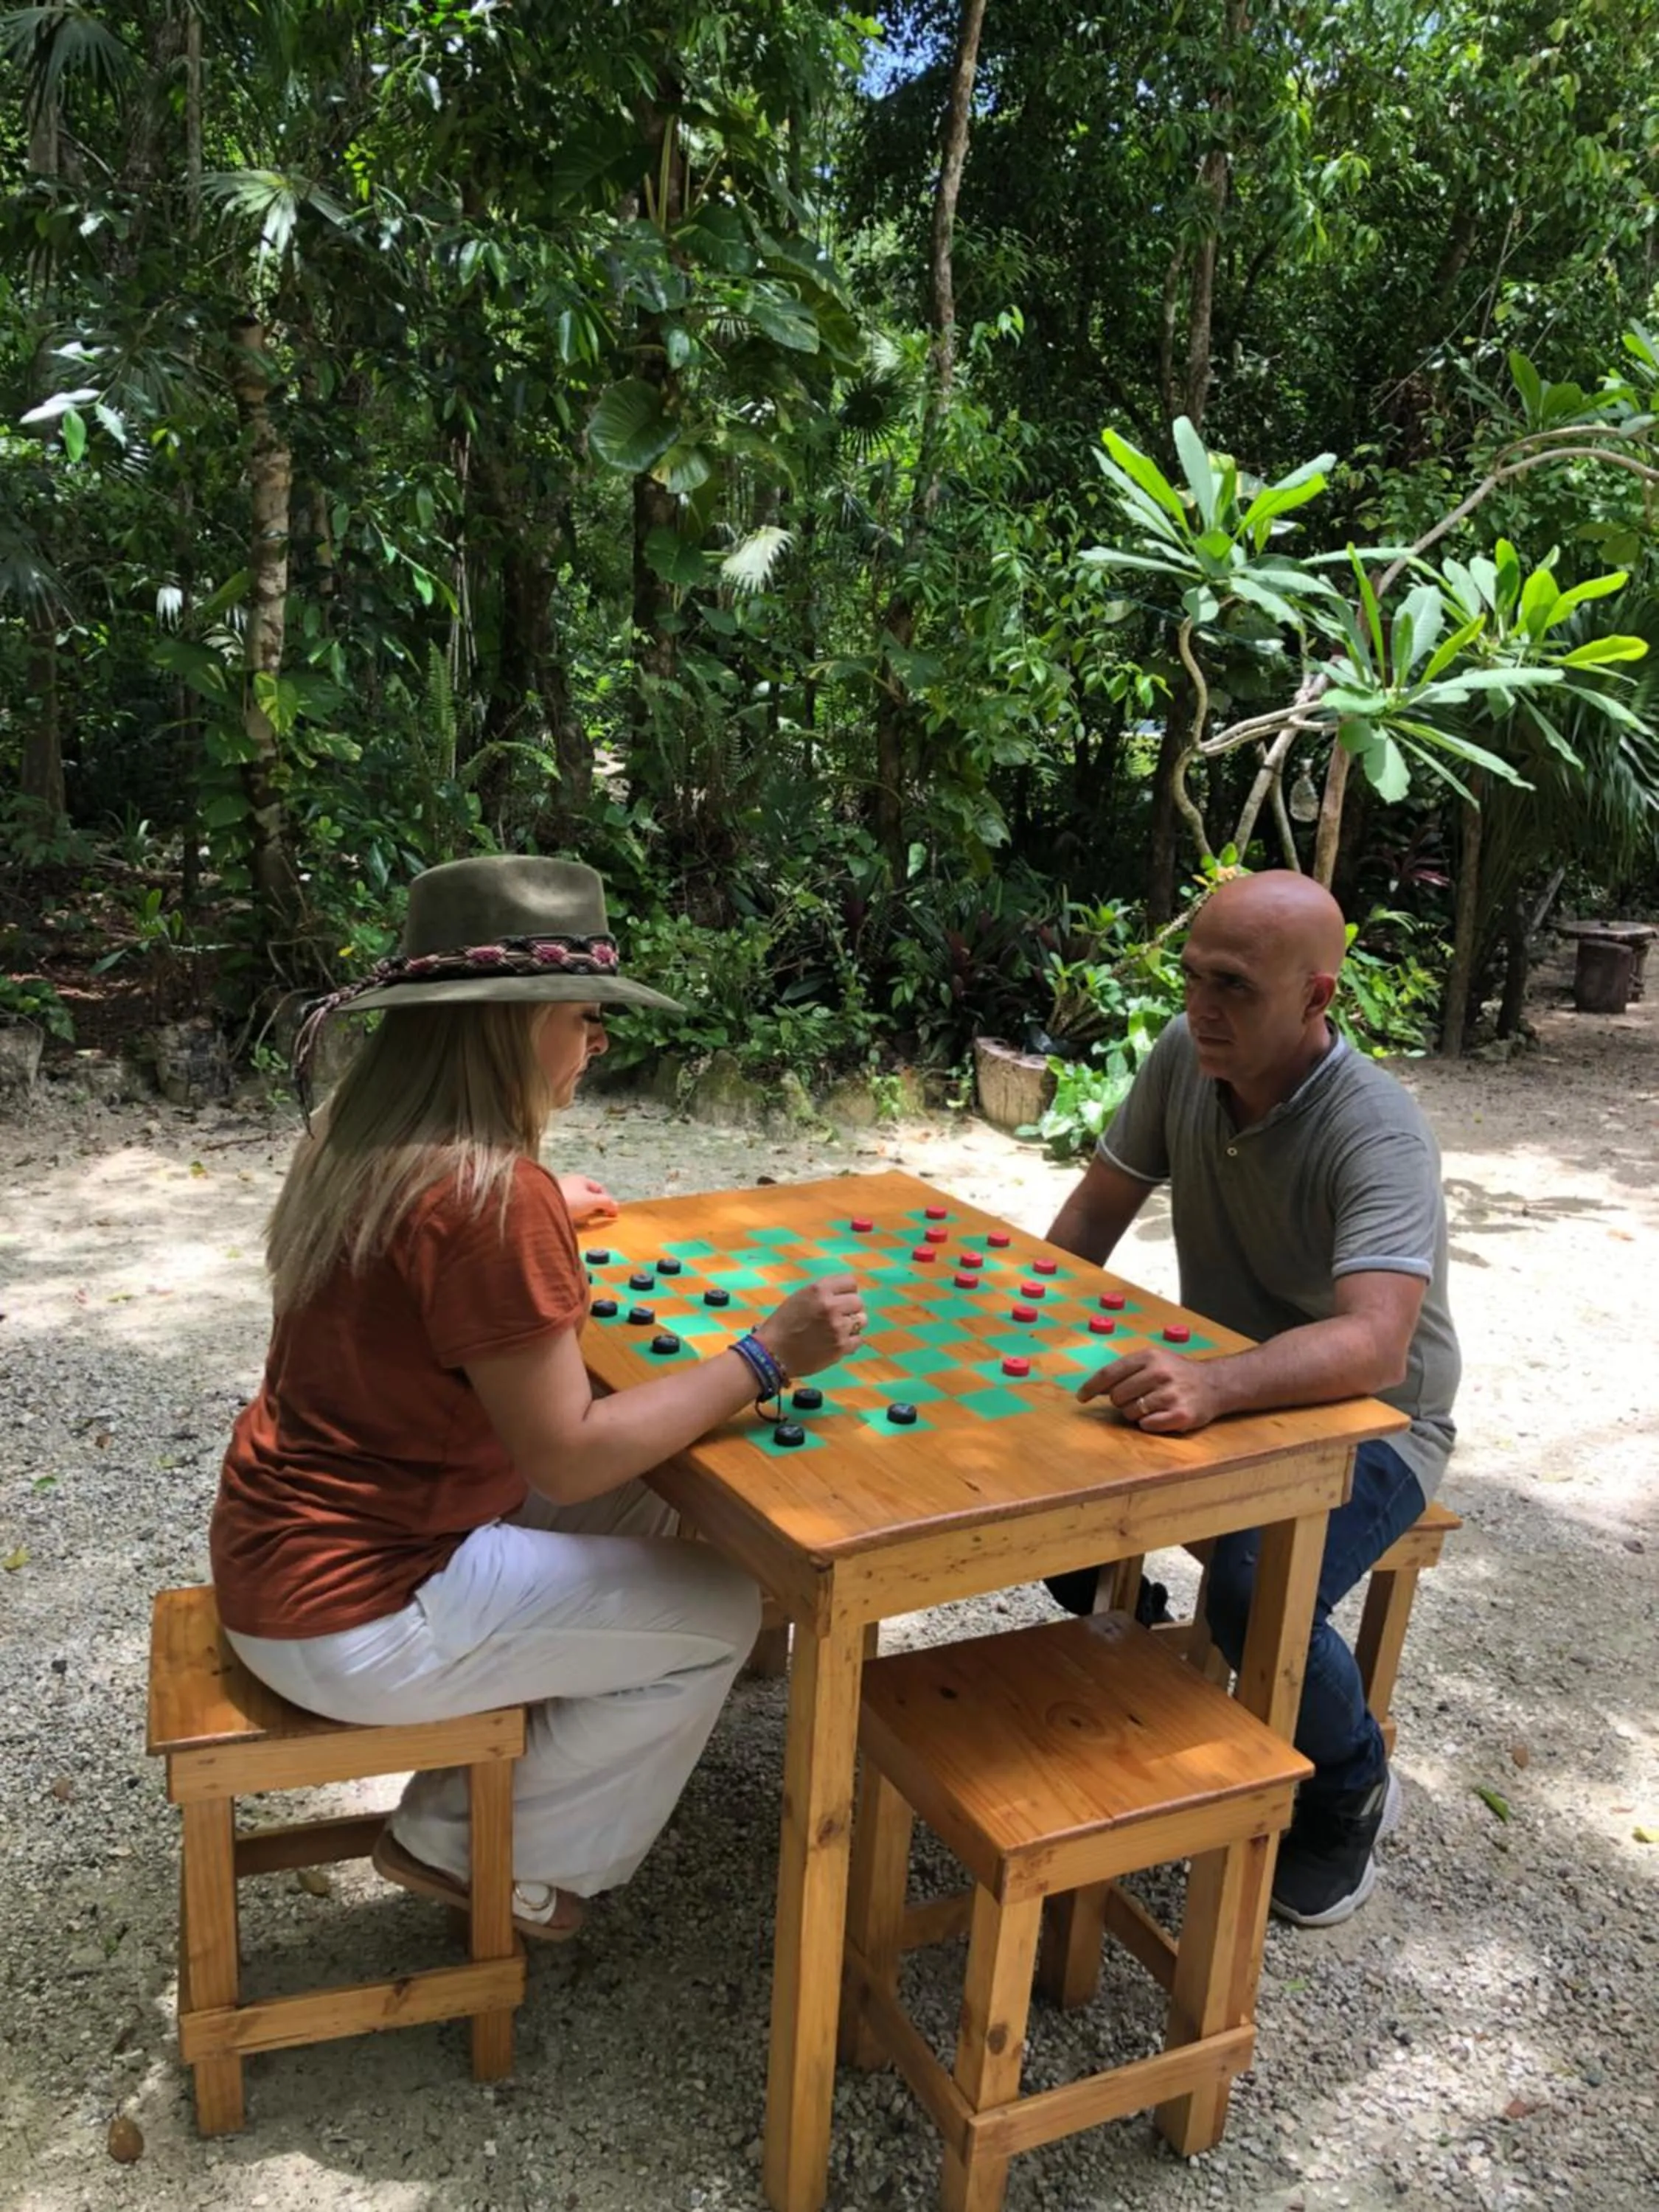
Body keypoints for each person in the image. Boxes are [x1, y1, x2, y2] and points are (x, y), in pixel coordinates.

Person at [209, 855, 866, 1941]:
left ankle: (550, 1752)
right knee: (720, 1609)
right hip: (358, 1611)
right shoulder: (488, 1200)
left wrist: (544, 1198)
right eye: (581, 1017)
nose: (596, 1044)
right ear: (508, 1026)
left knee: (673, 1498)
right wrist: (765, 1356)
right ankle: (467, 1845)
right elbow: (566, 1456)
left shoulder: (355, 1132)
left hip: (278, 1548)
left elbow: (423, 1251)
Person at [1043, 872, 1459, 1927]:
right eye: (1190, 978)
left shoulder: (1377, 1129)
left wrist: (1217, 1383)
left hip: (1377, 1423)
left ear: (1317, 995)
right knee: (1039, 1484)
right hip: (1226, 1382)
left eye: (1231, 986)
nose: (1199, 1008)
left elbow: (1375, 1344)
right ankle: (1132, 1652)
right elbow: (1093, 1209)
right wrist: (1011, 1336)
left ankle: (1349, 1783)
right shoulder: (1186, 1056)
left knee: (1251, 1584)